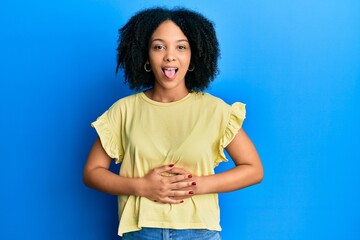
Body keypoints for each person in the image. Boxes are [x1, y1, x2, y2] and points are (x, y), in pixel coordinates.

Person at [83, 7, 263, 240]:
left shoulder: (215, 110)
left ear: (193, 55)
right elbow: (92, 172)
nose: (170, 55)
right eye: (159, 46)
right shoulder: (124, 110)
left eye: (181, 46)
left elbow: (253, 169)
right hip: (140, 232)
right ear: (145, 55)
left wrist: (197, 185)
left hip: (200, 233)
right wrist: (142, 187)